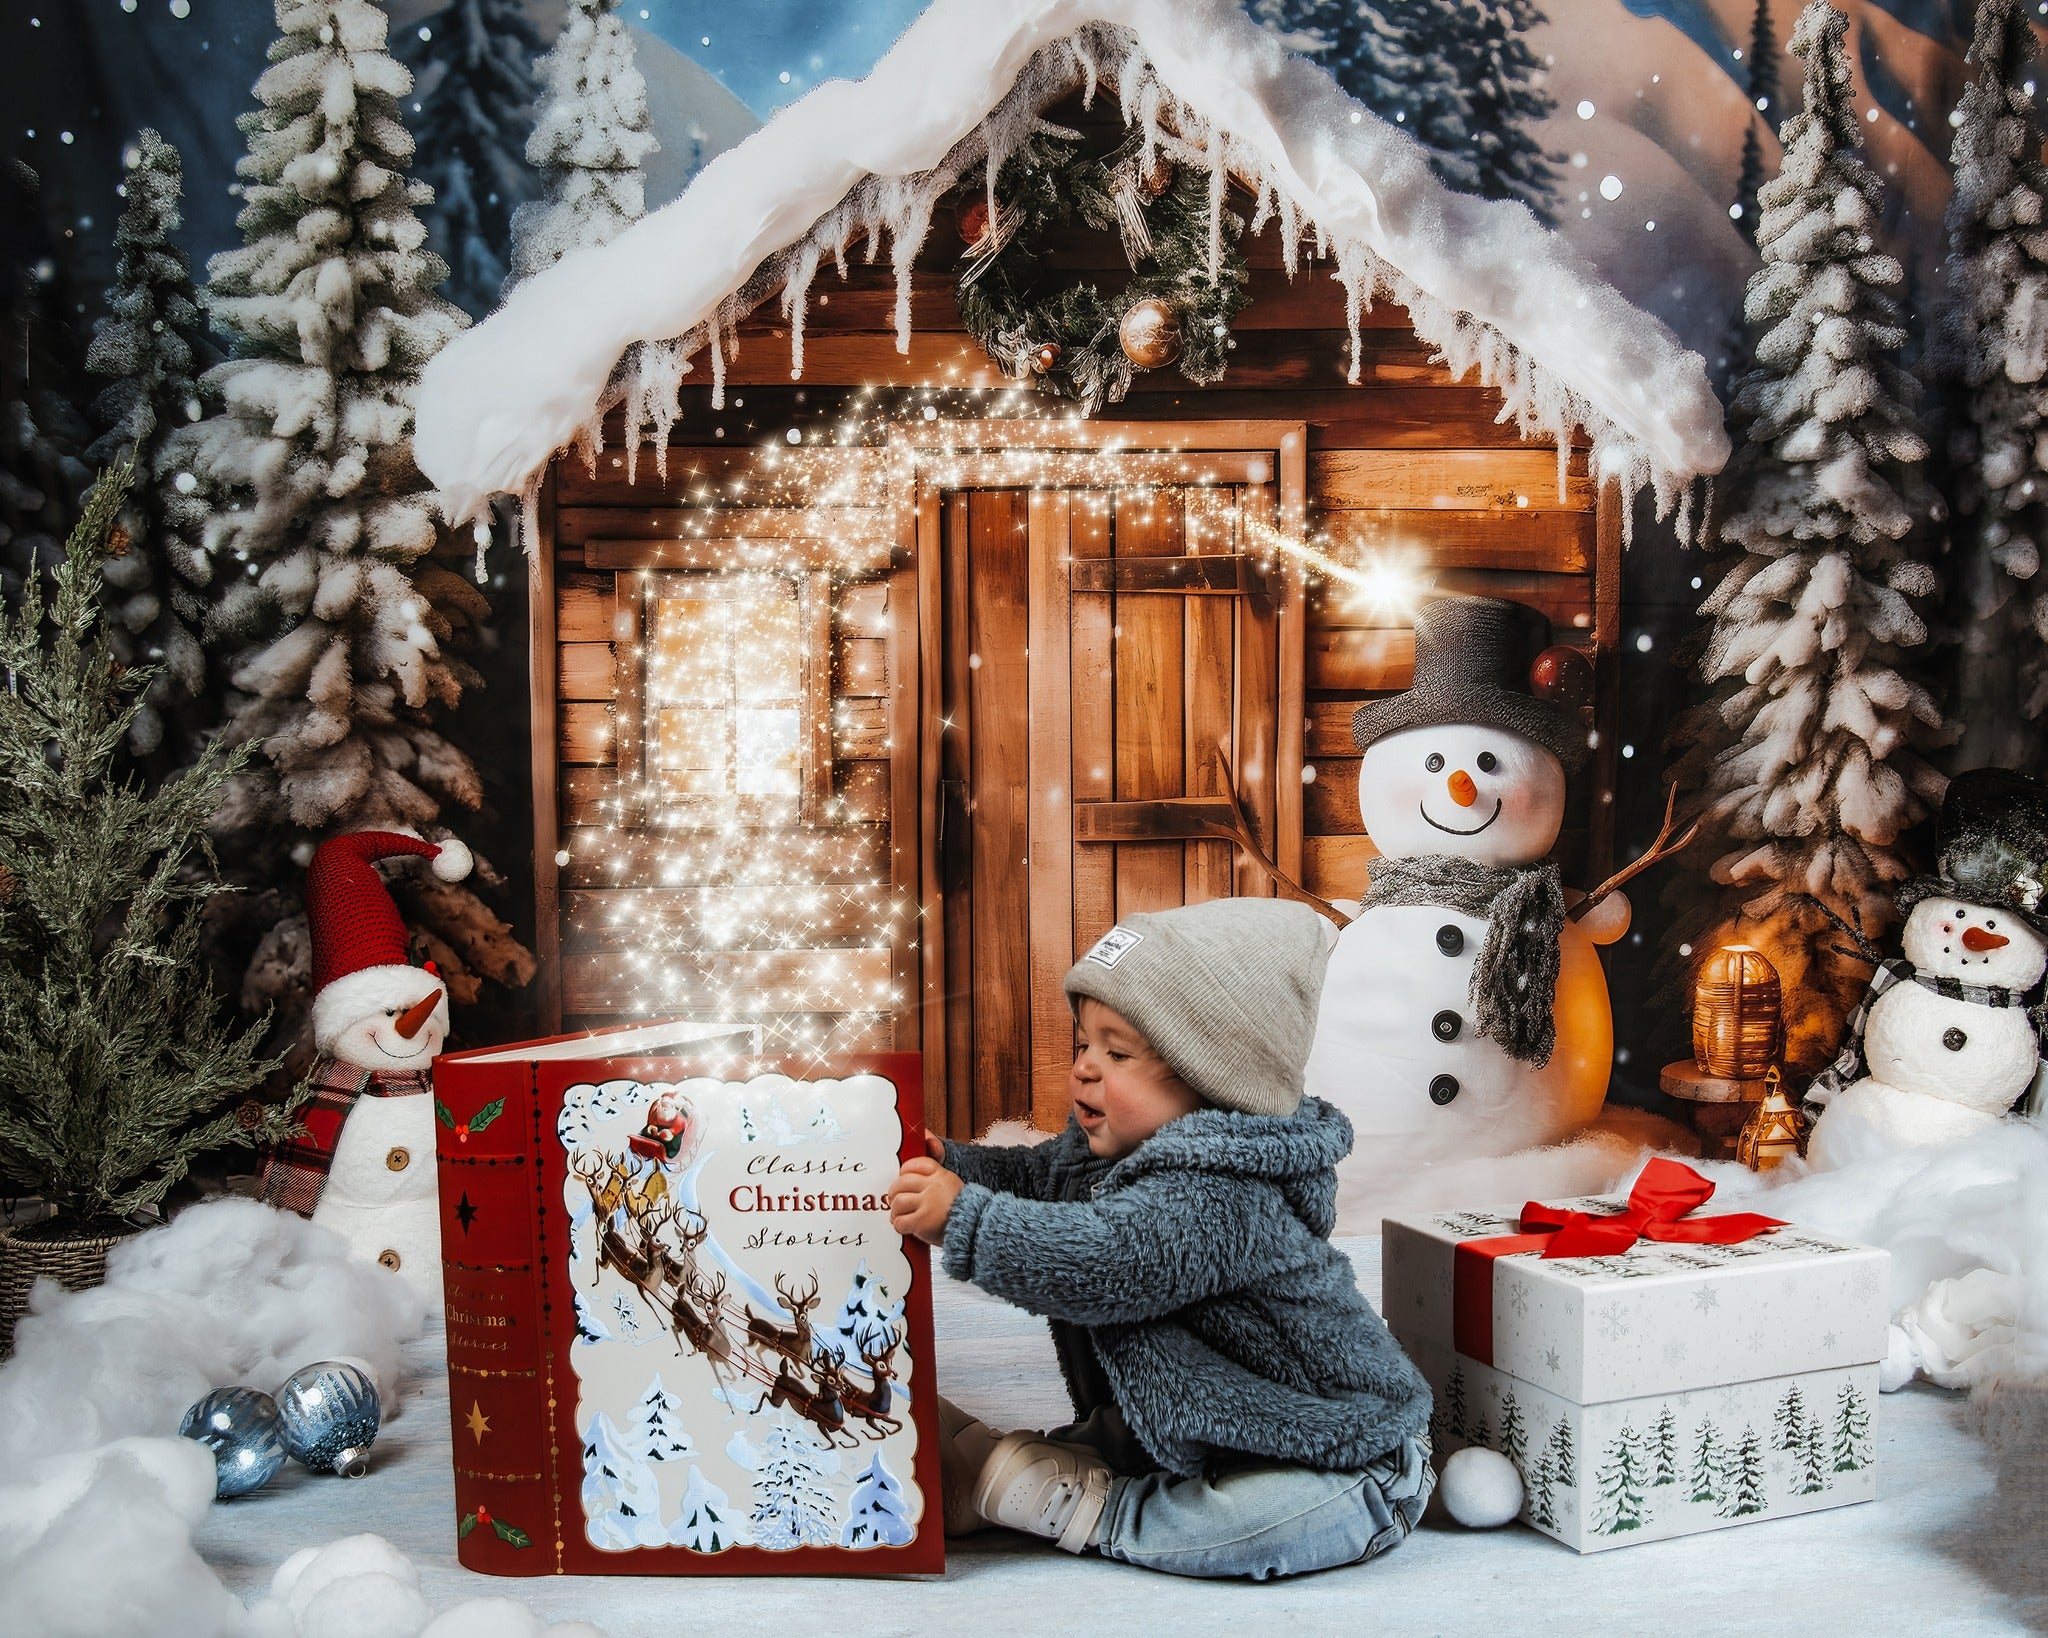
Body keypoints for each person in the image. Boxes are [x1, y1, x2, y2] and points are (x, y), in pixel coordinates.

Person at [888, 896, 1434, 1580]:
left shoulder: (1223, 1192)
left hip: (1340, 1453)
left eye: (1117, 1052)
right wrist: (957, 1168)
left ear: (1214, 1084)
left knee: (1272, 1523)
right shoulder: (1115, 1154)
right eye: (1084, 1044)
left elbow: (1109, 1260)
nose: (1086, 1068)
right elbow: (1035, 1178)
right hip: (1223, 1425)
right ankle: (987, 1462)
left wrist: (966, 1217)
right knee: (1129, 1435)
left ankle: (1101, 1510)